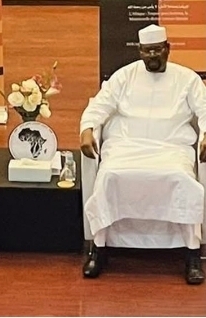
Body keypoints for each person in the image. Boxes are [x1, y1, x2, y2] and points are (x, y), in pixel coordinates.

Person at [80, 24, 206, 284]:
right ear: (140, 51)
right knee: (109, 176)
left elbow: (205, 109)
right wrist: (87, 129)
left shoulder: (187, 79)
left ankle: (192, 253)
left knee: (181, 180)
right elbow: (98, 106)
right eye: (147, 51)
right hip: (126, 146)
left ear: (167, 49)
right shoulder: (124, 76)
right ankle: (99, 248)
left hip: (171, 148)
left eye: (157, 50)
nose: (152, 56)